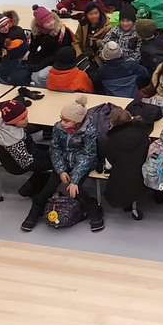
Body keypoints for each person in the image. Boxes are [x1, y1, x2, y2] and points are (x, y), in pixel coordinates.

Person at [45, 94, 106, 232]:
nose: (62, 123)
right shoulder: (58, 128)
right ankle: (36, 209)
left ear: (77, 121)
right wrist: (61, 170)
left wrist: (74, 180)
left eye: (66, 120)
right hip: (64, 162)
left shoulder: (89, 132)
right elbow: (54, 148)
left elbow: (88, 155)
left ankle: (94, 210)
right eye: (61, 118)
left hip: (83, 163)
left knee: (76, 189)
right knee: (48, 188)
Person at [0, 96, 56, 218]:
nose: (27, 120)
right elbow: (27, 163)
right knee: (54, 163)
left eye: (26, 116)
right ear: (12, 122)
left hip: (25, 152)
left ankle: (28, 188)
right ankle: (32, 189)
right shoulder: (13, 141)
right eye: (22, 119)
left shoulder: (4, 124)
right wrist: (53, 163)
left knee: (51, 153)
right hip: (17, 165)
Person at [104, 106, 154, 221]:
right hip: (140, 173)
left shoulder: (113, 139)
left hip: (120, 176)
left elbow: (110, 159)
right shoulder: (142, 132)